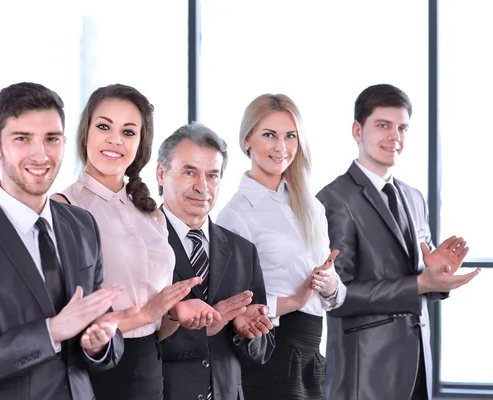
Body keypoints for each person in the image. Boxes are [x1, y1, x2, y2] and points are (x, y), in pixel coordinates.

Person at [0, 82, 129, 400]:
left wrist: (100, 344)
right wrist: (50, 333)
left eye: (52, 139)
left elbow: (102, 326)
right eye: (22, 139)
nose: (41, 154)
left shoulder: (82, 225)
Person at [316, 83, 480, 400]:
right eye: (383, 126)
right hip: (365, 375)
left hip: (418, 368)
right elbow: (337, 297)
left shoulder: (414, 198)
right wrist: (418, 284)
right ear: (356, 130)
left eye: (402, 128)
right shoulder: (334, 200)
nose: (395, 137)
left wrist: (436, 276)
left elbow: (421, 280)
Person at [52, 84, 206, 400]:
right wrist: (145, 315)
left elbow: (158, 322)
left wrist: (175, 312)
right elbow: (62, 318)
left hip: (149, 367)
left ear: (141, 143)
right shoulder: (64, 208)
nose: (115, 140)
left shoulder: (152, 215)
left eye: (128, 132)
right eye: (104, 126)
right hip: (92, 370)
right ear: (86, 133)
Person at [216, 93, 347, 400]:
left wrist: (328, 286)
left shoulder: (311, 206)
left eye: (290, 136)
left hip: (312, 352)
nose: (281, 147)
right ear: (247, 140)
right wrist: (292, 300)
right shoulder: (235, 215)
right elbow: (233, 304)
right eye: (269, 135)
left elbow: (337, 297)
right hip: (270, 350)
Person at [156, 122, 276, 400]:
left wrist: (246, 331)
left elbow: (263, 351)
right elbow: (131, 342)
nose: (203, 187)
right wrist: (205, 326)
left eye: (212, 175)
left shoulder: (243, 251)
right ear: (162, 174)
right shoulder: (140, 242)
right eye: (190, 172)